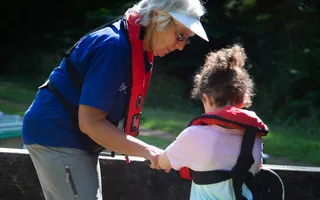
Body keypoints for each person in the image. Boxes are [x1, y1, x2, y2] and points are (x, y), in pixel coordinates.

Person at [22, 0, 209, 199]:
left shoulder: (133, 44)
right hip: (58, 135)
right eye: (180, 35)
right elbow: (90, 122)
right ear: (157, 17)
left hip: (74, 138)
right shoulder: (114, 47)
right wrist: (148, 150)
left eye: (187, 39)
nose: (181, 46)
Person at [156, 44, 269, 200]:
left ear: (206, 98)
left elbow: (163, 162)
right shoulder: (254, 139)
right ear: (242, 100)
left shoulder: (194, 136)